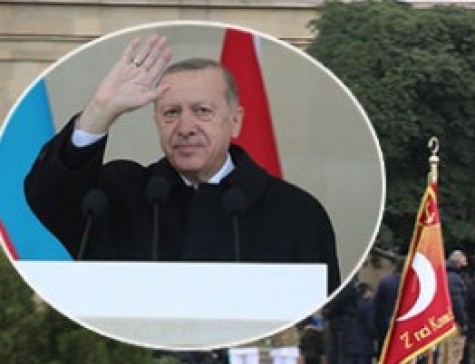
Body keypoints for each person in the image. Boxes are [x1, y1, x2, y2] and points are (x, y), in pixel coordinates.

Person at [24, 37, 340, 292]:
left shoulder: (297, 214)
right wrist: (99, 111)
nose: (185, 127)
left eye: (202, 111)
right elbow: (49, 197)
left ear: (235, 121)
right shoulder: (119, 194)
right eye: (171, 113)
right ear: (156, 121)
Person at [437, 251, 469, 364]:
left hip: (443, 321)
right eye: (464, 258)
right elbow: (457, 302)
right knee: (454, 355)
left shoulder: (443, 276)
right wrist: (464, 321)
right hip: (454, 322)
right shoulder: (456, 279)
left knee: (444, 354)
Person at [324, 280, 361, 364]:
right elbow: (340, 299)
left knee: (334, 352)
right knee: (343, 352)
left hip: (336, 320)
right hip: (344, 320)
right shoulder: (346, 283)